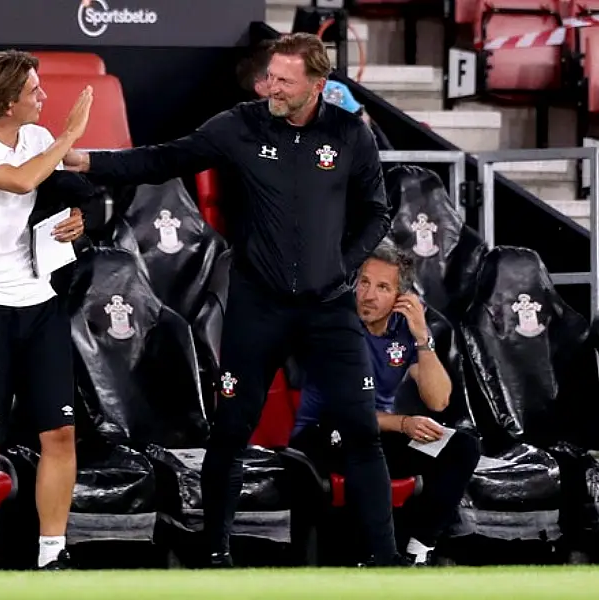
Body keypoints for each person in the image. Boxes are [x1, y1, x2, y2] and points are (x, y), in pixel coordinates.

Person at [66, 32, 409, 567]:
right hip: (258, 304)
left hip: (329, 307)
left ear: (317, 86)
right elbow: (165, 159)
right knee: (230, 429)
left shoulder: (349, 135)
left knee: (362, 430)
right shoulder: (239, 126)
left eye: (284, 81)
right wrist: (91, 162)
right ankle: (216, 553)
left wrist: (345, 264)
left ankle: (385, 562)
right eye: (270, 75)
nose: (270, 86)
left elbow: (376, 210)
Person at [0, 49, 92, 571]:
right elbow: (23, 180)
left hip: (40, 300)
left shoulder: (38, 139)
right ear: (7, 103)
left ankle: (53, 552)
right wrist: (70, 135)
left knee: (60, 432)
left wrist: (77, 217)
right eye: (34, 91)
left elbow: (58, 193)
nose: (43, 98)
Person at [290, 239, 481, 566]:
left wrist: (423, 337)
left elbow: (438, 400)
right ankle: (365, 554)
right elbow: (345, 410)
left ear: (399, 298)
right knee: (363, 443)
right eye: (363, 282)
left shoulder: (402, 331)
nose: (367, 295)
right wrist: (404, 424)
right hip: (324, 434)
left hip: (376, 435)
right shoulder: (337, 325)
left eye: (382, 287)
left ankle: (419, 549)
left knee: (461, 446)